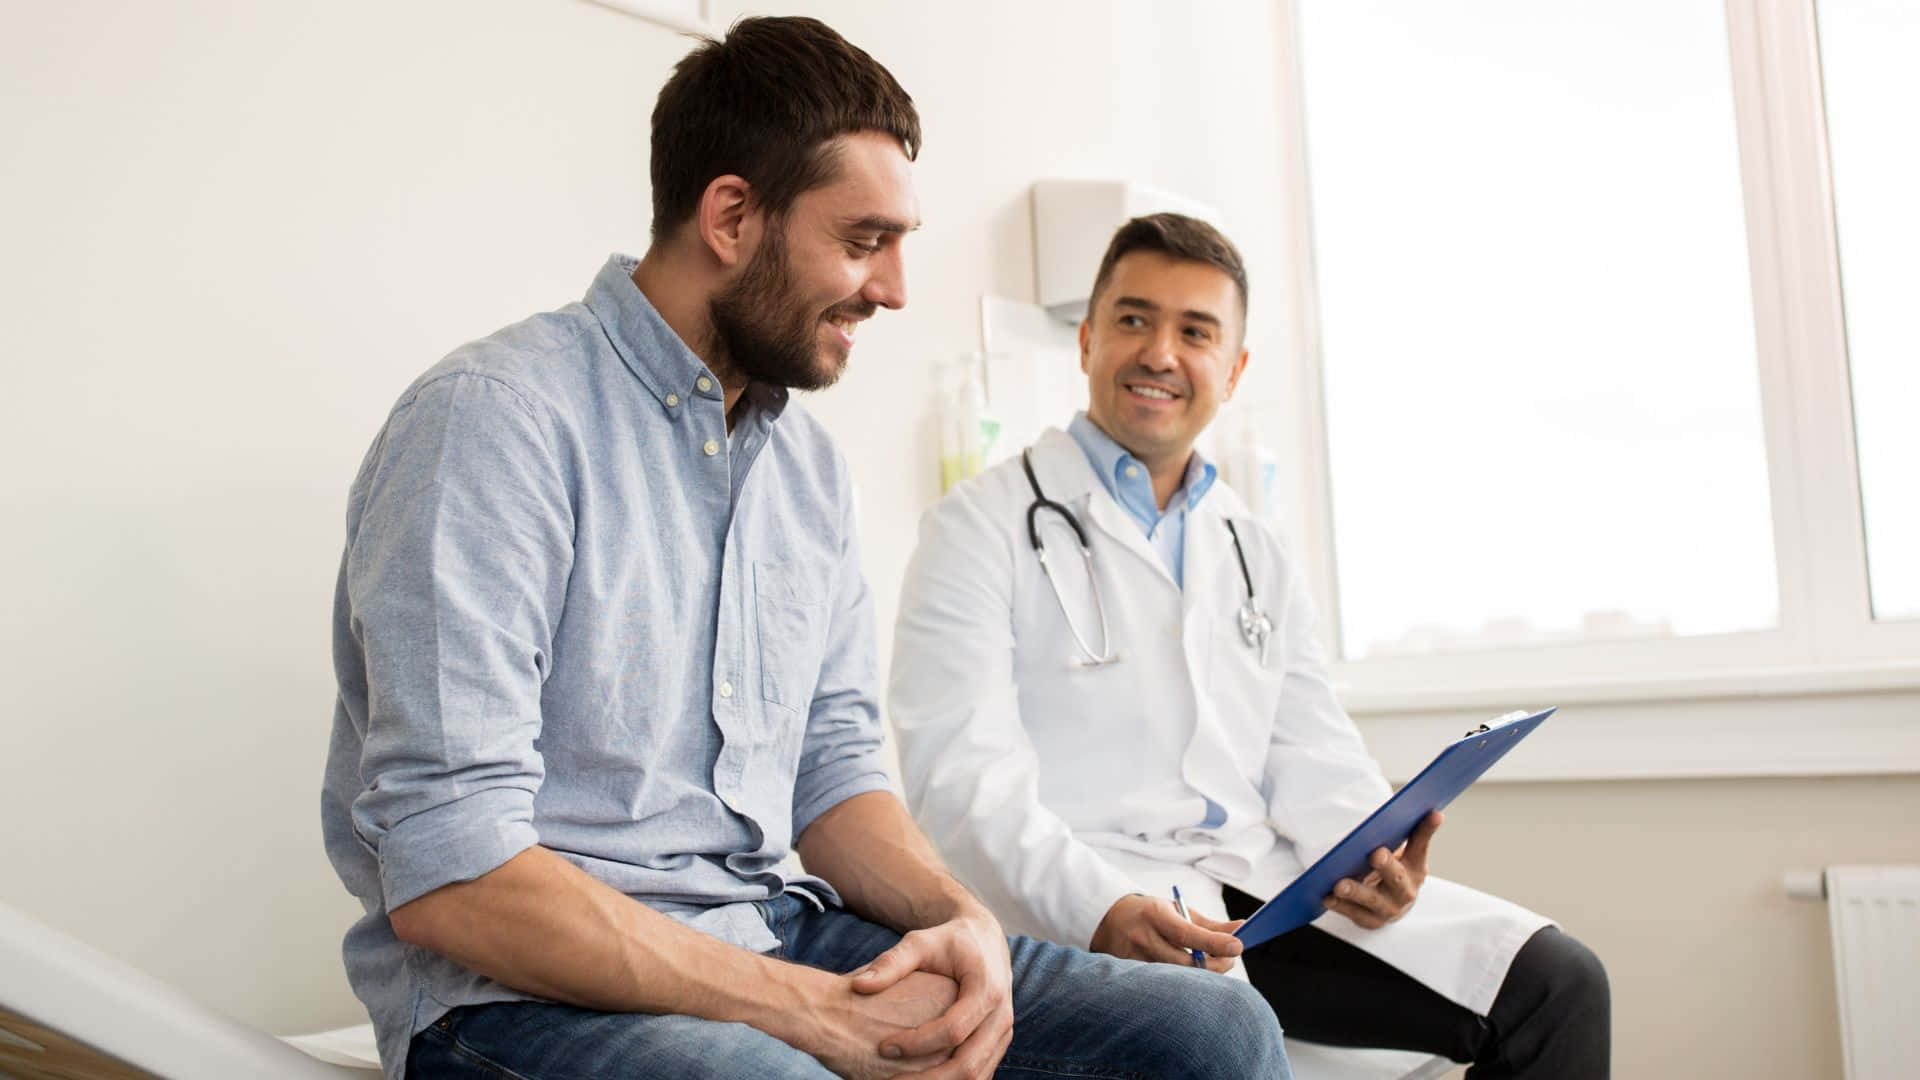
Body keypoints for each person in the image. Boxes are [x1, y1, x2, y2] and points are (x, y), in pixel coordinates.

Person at [319, 21, 1290, 1080]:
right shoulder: (495, 422)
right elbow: (455, 875)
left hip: (771, 929)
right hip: (512, 1003)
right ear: (732, 216)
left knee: (1212, 1032)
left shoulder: (805, 472)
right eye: (866, 240)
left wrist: (959, 920)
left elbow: (831, 773)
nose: (895, 288)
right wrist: (807, 1016)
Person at [890, 213, 1611, 1078]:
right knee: (1213, 1037)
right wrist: (1099, 905)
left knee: (1559, 982)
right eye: (1132, 319)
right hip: (1089, 903)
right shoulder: (976, 528)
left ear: (1232, 371)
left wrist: (1371, 857)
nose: (1160, 351)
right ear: (1085, 341)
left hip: (1263, 897)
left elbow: (1310, 749)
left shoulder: (1253, 545)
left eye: (1195, 332)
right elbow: (960, 782)